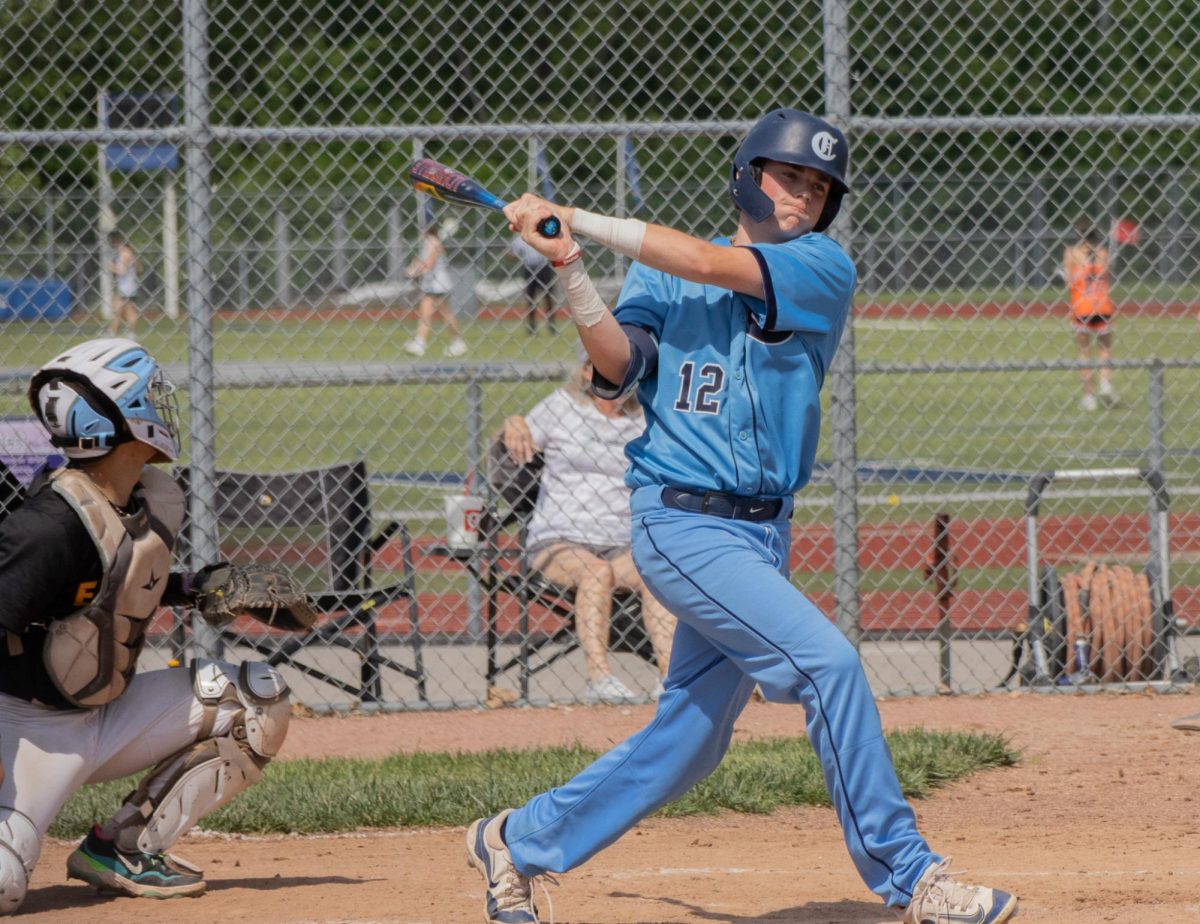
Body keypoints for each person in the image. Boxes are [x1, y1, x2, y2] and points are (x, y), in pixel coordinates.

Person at [465, 109, 1018, 924]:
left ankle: (518, 840)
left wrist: (575, 217)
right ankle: (914, 878)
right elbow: (616, 369)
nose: (804, 197)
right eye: (789, 176)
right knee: (828, 665)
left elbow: (707, 259)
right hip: (680, 523)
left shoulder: (821, 267)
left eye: (818, 187)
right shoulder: (659, 278)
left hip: (760, 533)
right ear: (748, 175)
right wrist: (571, 268)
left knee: (689, 739)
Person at [0, 338, 294, 913]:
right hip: (28, 733)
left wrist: (197, 588)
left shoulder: (139, 499)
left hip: (106, 714)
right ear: (113, 417)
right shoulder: (46, 528)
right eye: (148, 397)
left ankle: (123, 848)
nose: (162, 406)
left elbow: (110, 583)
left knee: (257, 700)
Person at [500, 352, 674, 703]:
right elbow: (515, 438)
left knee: (656, 571)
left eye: (626, 371)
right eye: (606, 367)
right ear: (585, 371)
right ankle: (600, 679)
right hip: (559, 539)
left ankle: (670, 679)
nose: (617, 378)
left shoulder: (644, 416)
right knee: (596, 573)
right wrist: (514, 422)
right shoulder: (561, 407)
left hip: (622, 541)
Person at [1063, 219, 1117, 411]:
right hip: (1102, 305)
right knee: (1105, 349)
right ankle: (1105, 383)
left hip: (1082, 307)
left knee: (1085, 352)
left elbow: (1069, 282)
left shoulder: (1071, 253)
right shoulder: (1103, 253)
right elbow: (1107, 275)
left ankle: (1089, 396)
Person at [403, 222, 467, 357]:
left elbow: (429, 264)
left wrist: (414, 273)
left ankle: (454, 342)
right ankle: (422, 342)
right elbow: (423, 262)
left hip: (437, 284)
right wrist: (415, 267)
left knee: (441, 314)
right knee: (430, 313)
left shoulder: (433, 242)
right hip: (433, 284)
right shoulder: (429, 243)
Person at [507, 233, 559, 334]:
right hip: (529, 268)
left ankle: (551, 324)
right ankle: (532, 326)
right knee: (531, 298)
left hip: (543, 267)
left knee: (548, 297)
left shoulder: (541, 232)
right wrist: (509, 255)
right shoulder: (519, 237)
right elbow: (515, 253)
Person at [107, 232, 140, 337]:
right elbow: (139, 268)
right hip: (129, 286)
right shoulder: (129, 252)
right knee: (127, 311)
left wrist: (111, 267)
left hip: (125, 287)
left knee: (117, 311)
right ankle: (131, 334)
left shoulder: (124, 254)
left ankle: (113, 333)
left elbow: (122, 271)